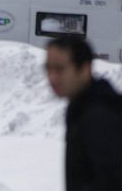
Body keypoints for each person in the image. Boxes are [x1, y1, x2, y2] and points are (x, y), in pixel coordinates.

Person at [45, 36, 122, 190]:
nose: (52, 77)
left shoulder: (101, 115)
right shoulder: (82, 106)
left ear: (85, 69)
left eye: (60, 69)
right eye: (48, 68)